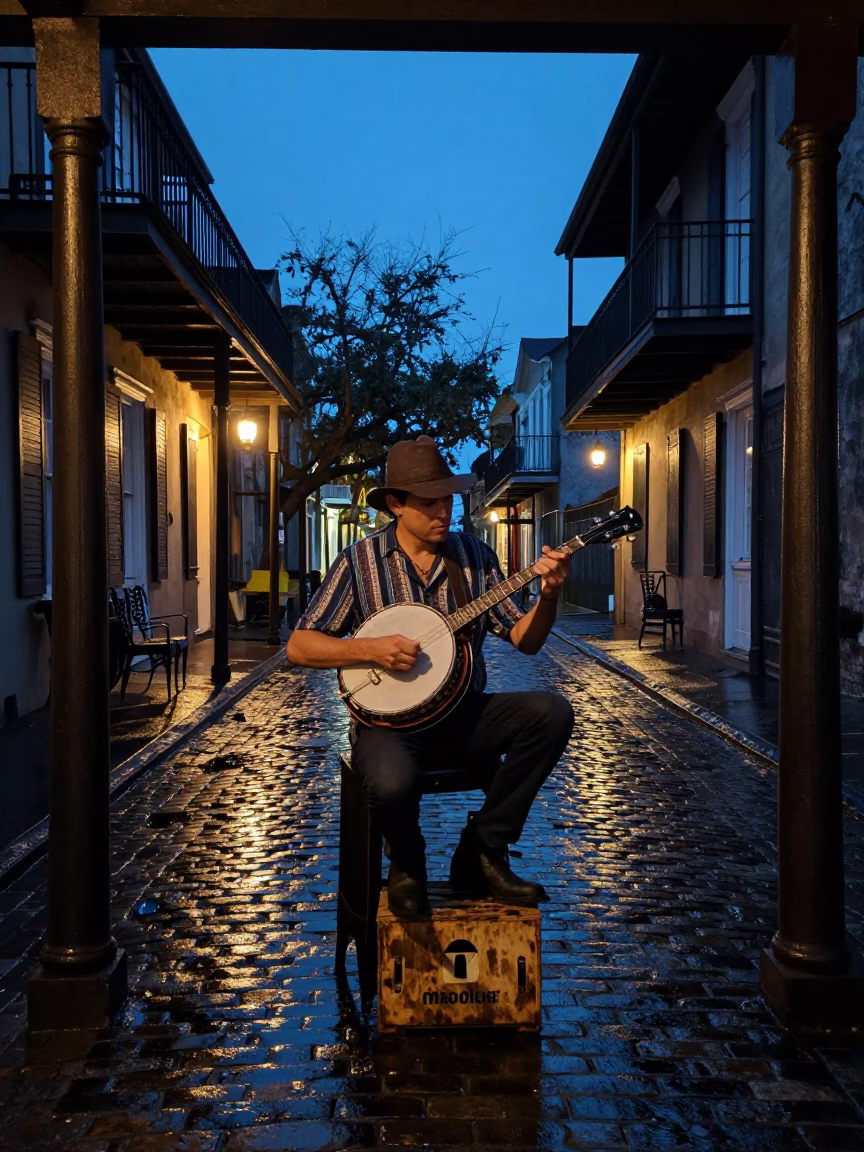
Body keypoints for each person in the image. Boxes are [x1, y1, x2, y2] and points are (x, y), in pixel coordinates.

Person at [286, 436, 574, 920]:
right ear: (396, 505)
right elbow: (300, 646)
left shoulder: (474, 557)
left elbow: (525, 640)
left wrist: (548, 595)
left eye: (448, 498)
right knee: (392, 783)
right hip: (388, 727)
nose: (443, 511)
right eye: (429, 502)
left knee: (551, 713)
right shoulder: (360, 562)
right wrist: (368, 648)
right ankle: (407, 862)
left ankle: (482, 848)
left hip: (464, 716)